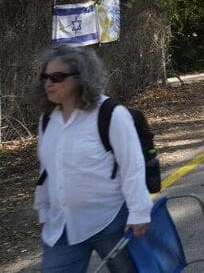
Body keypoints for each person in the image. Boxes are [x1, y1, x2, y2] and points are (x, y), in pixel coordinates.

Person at [34, 46, 151, 273]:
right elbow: (47, 169)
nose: (49, 83)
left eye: (57, 77)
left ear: (81, 78)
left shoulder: (111, 113)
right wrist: (43, 210)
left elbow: (132, 166)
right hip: (62, 226)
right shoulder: (48, 119)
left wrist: (139, 213)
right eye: (45, 76)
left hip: (111, 222)